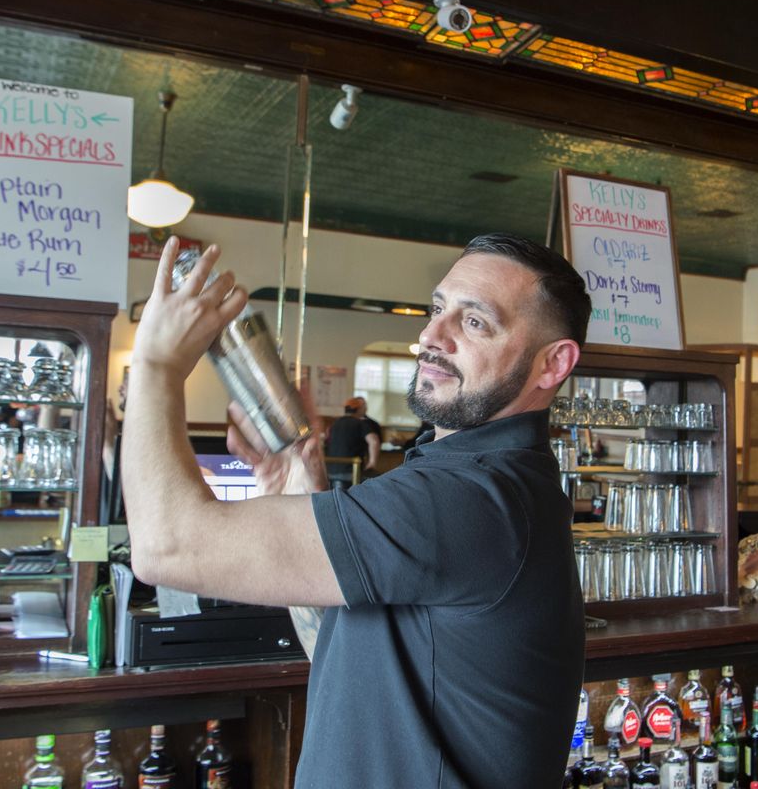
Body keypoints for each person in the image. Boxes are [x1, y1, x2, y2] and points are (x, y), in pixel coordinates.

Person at [122, 232, 592, 788]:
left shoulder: (473, 499)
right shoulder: (464, 483)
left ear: (552, 364)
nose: (430, 336)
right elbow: (338, 653)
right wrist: (297, 488)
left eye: (474, 322)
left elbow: (165, 546)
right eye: (437, 309)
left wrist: (154, 365)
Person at [325, 396, 380, 473]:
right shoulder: (361, 423)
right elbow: (374, 441)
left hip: (331, 471)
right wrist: (372, 463)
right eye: (364, 407)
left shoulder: (334, 424)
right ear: (359, 409)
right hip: (352, 471)